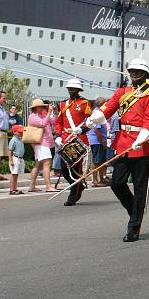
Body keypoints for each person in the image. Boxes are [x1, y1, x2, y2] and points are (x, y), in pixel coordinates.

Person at [86, 58, 149, 241]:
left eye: (138, 71)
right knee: (117, 183)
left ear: (145, 74)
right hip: (122, 143)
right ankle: (134, 212)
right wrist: (91, 121)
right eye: (132, 70)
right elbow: (108, 109)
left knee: (139, 188)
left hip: (140, 145)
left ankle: (134, 228)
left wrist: (142, 137)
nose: (134, 73)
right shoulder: (122, 92)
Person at [54, 78, 92, 206]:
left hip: (78, 139)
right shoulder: (63, 104)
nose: (71, 91)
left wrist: (82, 129)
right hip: (65, 138)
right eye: (69, 88)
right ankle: (77, 185)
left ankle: (73, 195)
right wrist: (58, 135)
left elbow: (90, 122)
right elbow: (59, 122)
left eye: (73, 89)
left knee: (76, 168)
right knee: (64, 169)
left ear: (78, 90)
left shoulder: (85, 103)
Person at [26, 99, 58, 193]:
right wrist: (49, 112)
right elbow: (43, 123)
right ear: (36, 107)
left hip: (46, 143)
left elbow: (53, 122)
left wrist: (53, 112)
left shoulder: (43, 114)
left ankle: (32, 186)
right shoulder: (33, 117)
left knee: (38, 164)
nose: (43, 107)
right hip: (41, 143)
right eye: (41, 106)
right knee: (47, 163)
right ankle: (48, 186)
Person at [87, 97, 108, 187]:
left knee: (100, 161)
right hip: (97, 141)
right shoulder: (98, 113)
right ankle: (95, 180)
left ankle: (101, 179)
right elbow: (96, 129)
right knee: (96, 161)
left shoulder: (97, 112)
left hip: (97, 140)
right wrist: (102, 140)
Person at [8, 124, 25, 195]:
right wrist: (10, 160)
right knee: (13, 174)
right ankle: (12, 189)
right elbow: (9, 150)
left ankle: (15, 188)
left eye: (21, 132)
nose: (21, 133)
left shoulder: (20, 139)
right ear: (14, 132)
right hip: (15, 158)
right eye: (19, 132)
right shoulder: (13, 140)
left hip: (20, 158)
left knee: (16, 174)